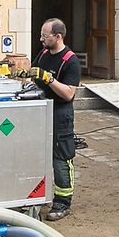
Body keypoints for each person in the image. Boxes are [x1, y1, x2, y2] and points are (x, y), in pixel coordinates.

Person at [28, 18, 81, 221]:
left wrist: (49, 79)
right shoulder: (43, 54)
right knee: (37, 153)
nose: (41, 39)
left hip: (60, 114)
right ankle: (37, 193)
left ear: (58, 37)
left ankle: (62, 202)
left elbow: (68, 94)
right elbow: (34, 75)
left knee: (60, 157)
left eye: (45, 36)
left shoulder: (70, 60)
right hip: (40, 110)